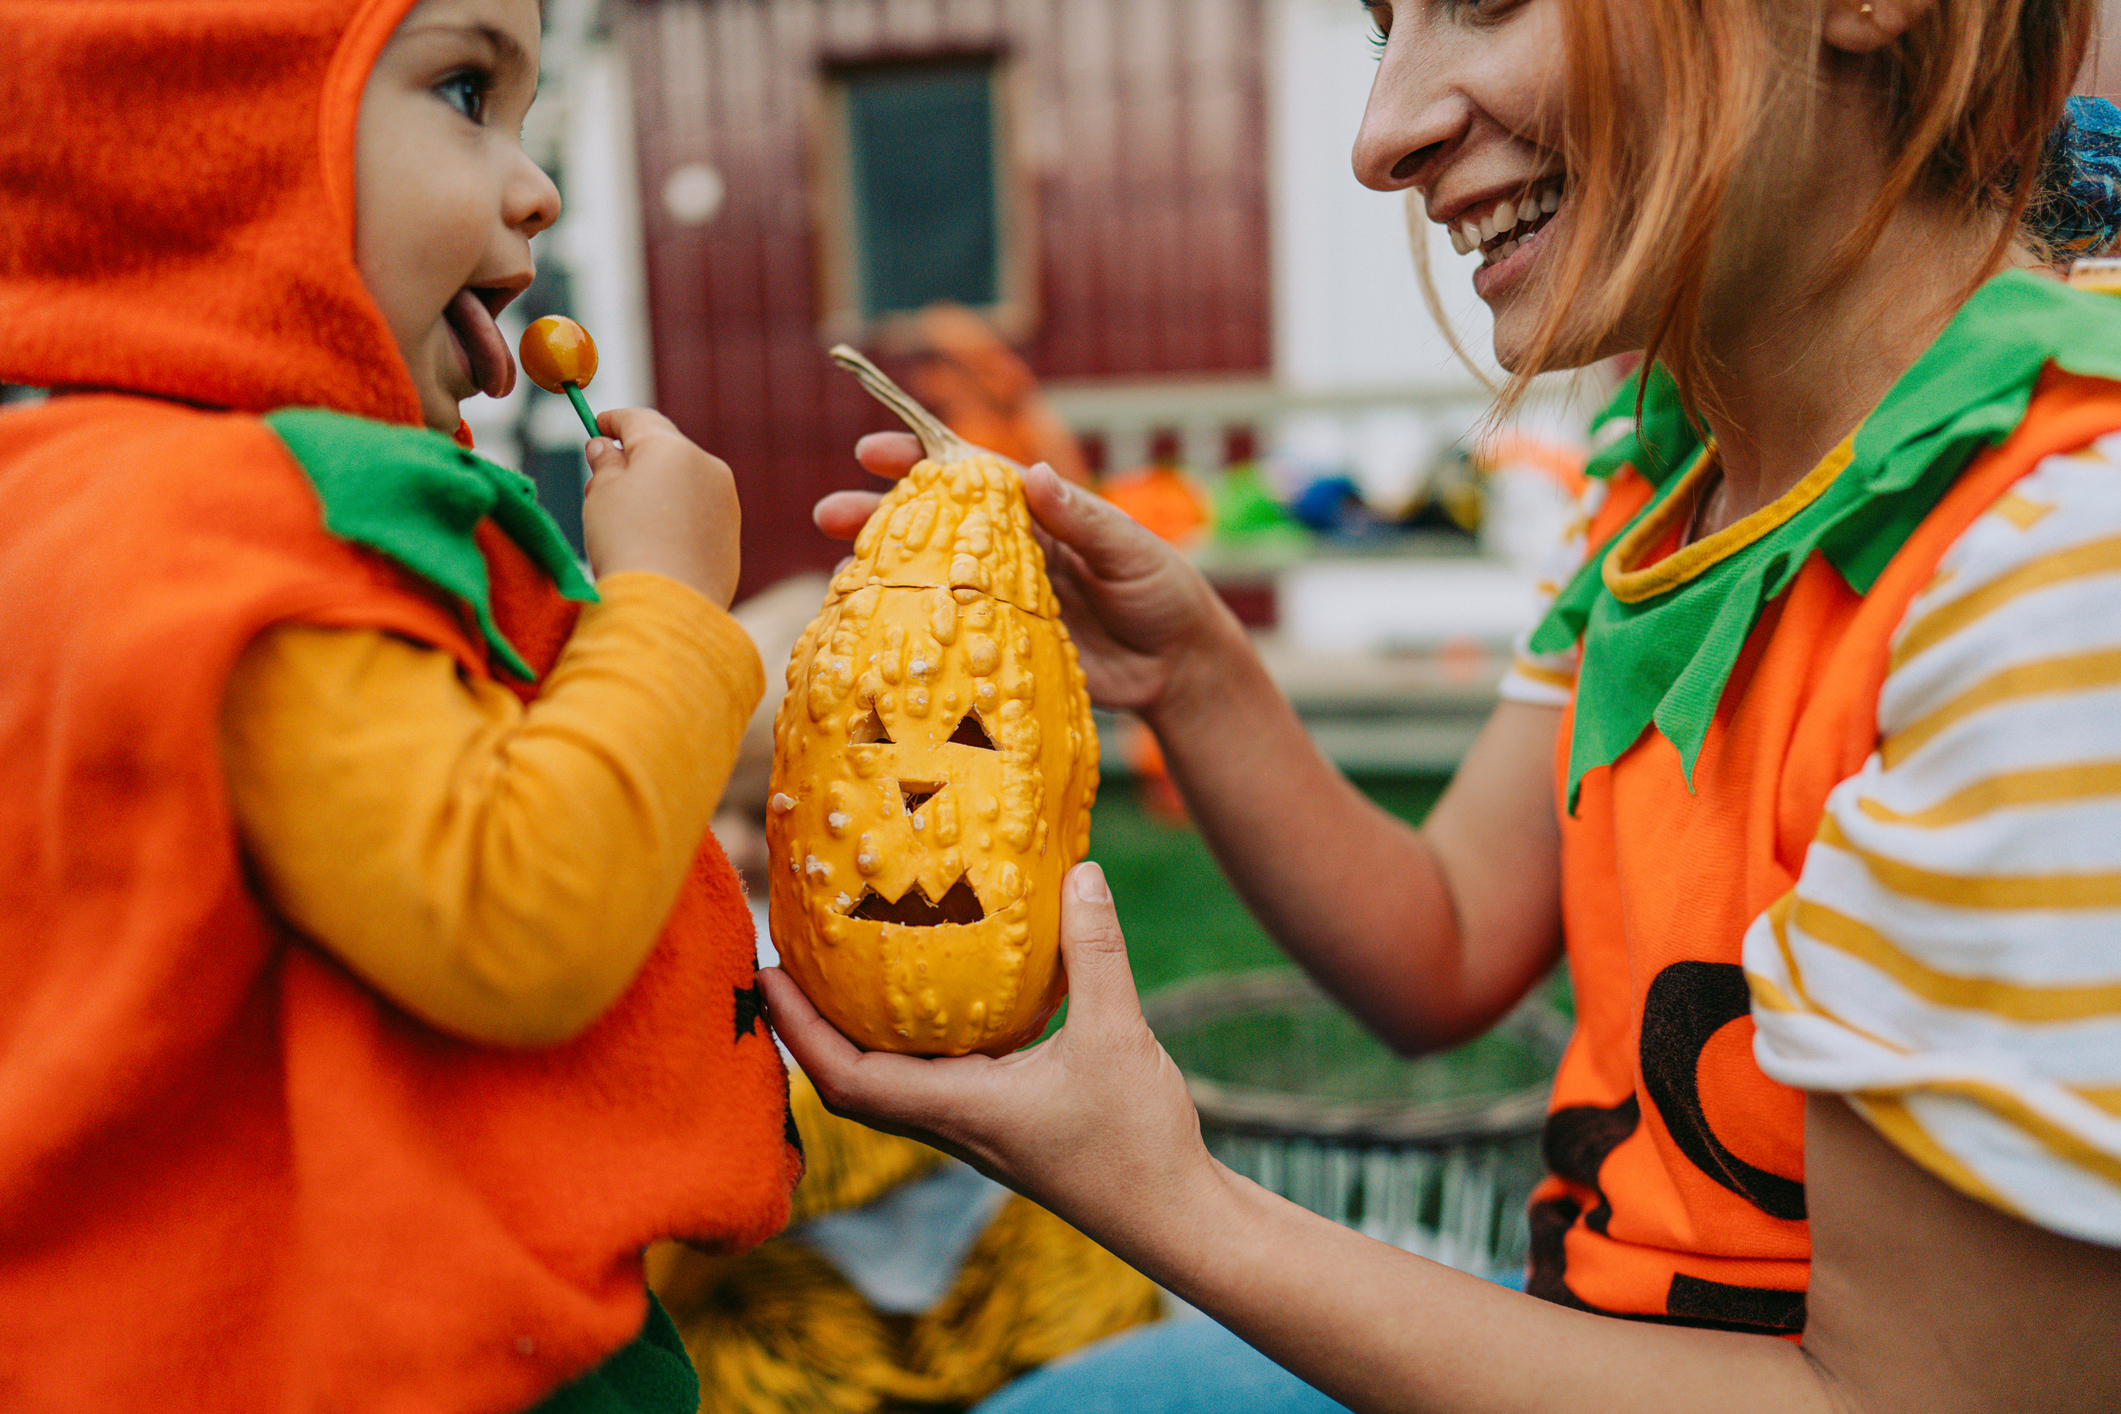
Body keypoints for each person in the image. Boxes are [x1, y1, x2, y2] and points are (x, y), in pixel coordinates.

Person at [763, 1, 2121, 1410]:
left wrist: (1175, 1204)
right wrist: (1192, 672)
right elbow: (1447, 944)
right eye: (1377, 30)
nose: (1380, 138)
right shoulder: (1660, 489)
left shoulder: (2049, 581)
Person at [0, 2, 800, 1411]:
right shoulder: (221, 525)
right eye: (460, 90)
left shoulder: (99, 493)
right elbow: (517, 908)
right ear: (212, 128)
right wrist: (669, 605)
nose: (536, 181)